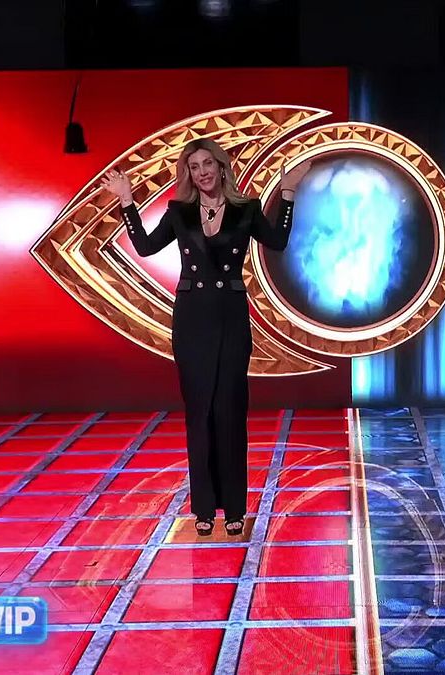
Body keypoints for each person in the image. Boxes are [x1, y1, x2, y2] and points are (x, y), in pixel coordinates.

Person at [100, 139, 310, 536]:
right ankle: (203, 508)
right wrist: (127, 201)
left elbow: (278, 241)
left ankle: (234, 508)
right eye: (194, 167)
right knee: (199, 414)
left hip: (230, 317)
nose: (202, 173)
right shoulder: (179, 212)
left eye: (207, 164)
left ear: (221, 167)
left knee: (229, 412)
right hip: (192, 320)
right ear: (189, 174)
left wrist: (288, 194)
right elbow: (145, 246)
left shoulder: (246, 210)